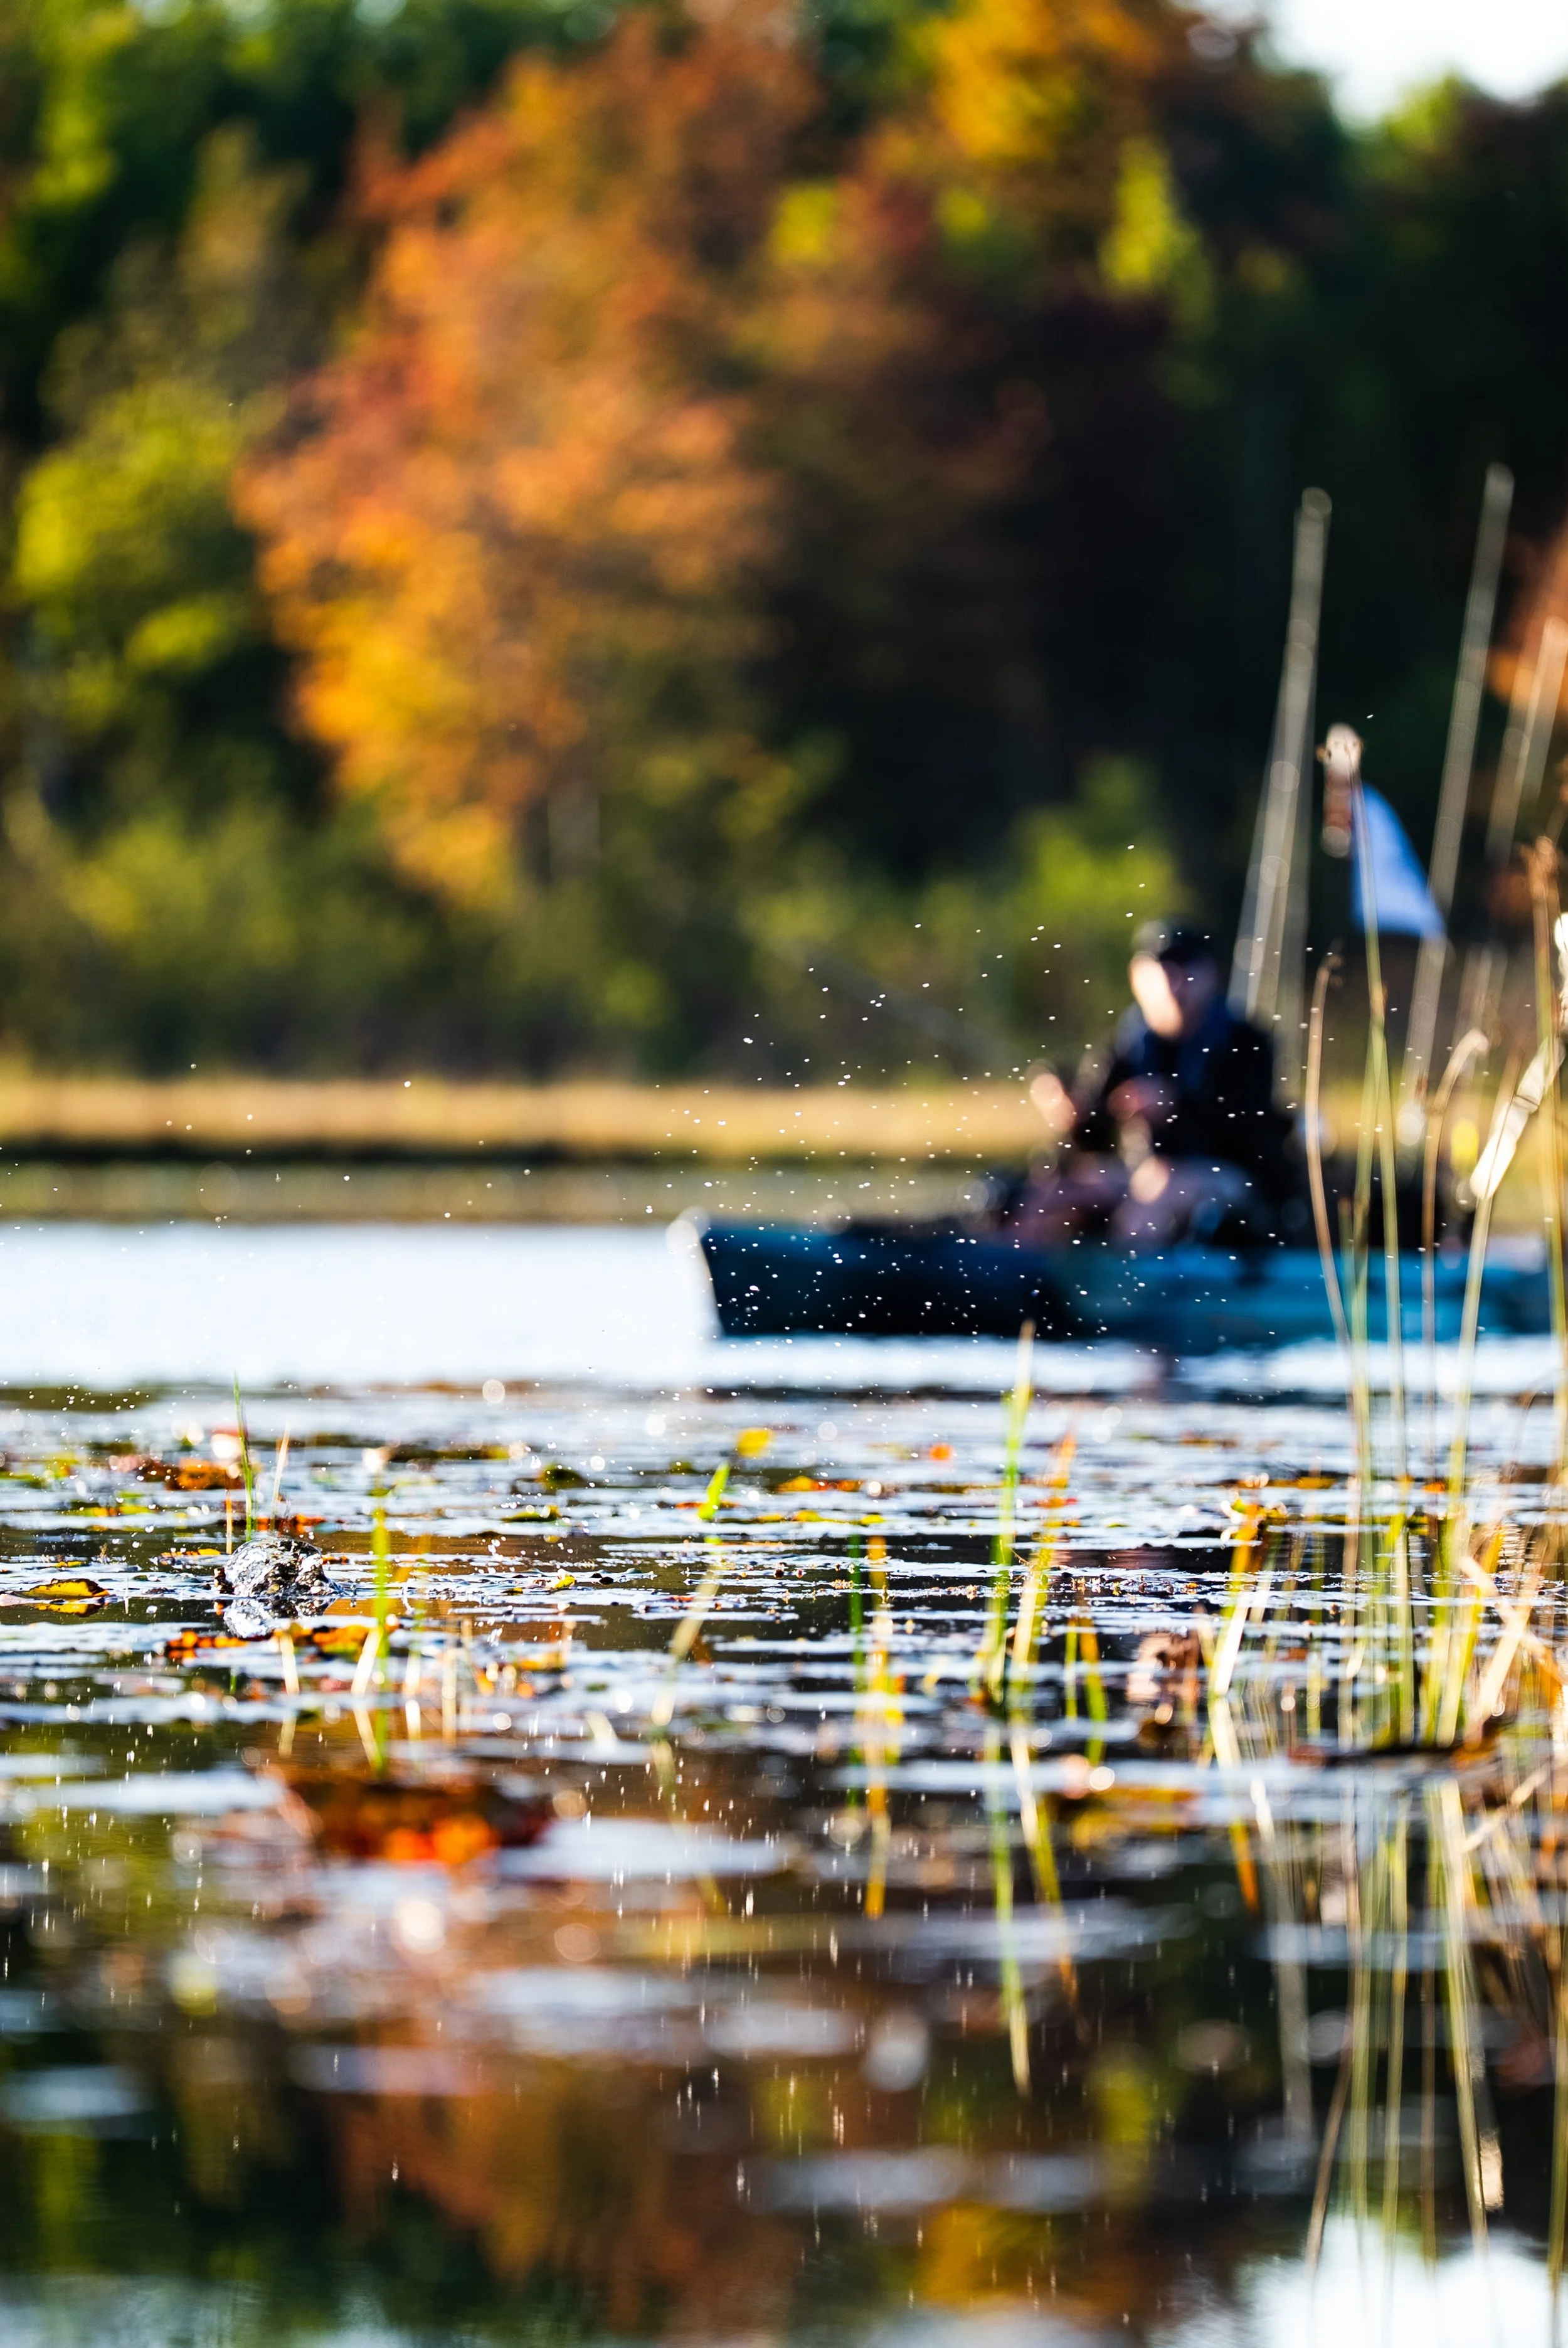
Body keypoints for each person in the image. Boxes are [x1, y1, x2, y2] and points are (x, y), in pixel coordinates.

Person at [1009, 922, 1301, 1248]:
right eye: (1161, 970)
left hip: (1234, 1180)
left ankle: (1126, 1291)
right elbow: (1094, 1135)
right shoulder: (1126, 1045)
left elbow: (1250, 1126)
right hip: (1143, 1175)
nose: (1173, 983)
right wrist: (1071, 1113)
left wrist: (1178, 1109)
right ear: (1137, 979)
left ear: (1211, 977)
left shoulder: (1247, 1042)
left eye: (1185, 969)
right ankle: (1016, 1278)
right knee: (1053, 1191)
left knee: (1161, 1184)